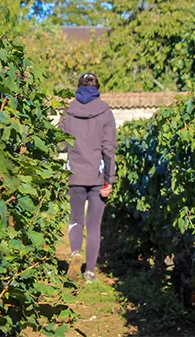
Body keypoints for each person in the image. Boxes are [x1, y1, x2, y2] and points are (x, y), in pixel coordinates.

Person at [58, 72, 117, 283]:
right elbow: (109, 149)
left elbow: (59, 143)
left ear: (78, 86)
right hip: (98, 176)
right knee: (94, 225)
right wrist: (110, 180)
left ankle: (75, 253)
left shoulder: (69, 111)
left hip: (75, 174)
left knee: (75, 219)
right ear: (97, 87)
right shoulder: (105, 113)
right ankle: (89, 273)